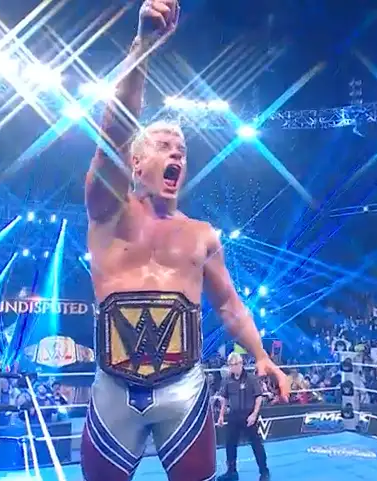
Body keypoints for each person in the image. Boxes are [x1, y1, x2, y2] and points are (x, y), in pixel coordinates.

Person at [78, 1, 290, 480]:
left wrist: (260, 356)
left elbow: (230, 305)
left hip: (184, 391)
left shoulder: (202, 234)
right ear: (136, 163)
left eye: (182, 150)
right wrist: (142, 48)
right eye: (163, 147)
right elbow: (114, 133)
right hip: (113, 389)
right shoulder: (107, 210)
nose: (177, 154)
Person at [214, 353, 270, 481]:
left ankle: (264, 471)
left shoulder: (251, 378)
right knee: (230, 444)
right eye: (230, 365)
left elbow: (259, 397)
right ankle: (231, 472)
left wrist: (254, 414)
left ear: (240, 364)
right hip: (233, 415)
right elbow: (224, 399)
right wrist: (221, 415)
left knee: (256, 444)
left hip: (248, 416)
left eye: (235, 364)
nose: (233, 367)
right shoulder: (227, 380)